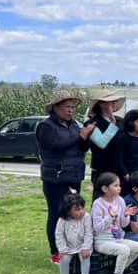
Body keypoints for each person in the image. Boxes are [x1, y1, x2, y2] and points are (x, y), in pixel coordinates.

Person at [36, 89, 95, 260]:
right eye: (66, 107)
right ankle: (56, 252)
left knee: (73, 213)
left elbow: (81, 147)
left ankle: (71, 248)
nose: (70, 110)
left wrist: (86, 138)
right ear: (55, 107)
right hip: (55, 177)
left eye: (72, 107)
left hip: (73, 175)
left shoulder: (74, 125)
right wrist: (79, 138)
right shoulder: (46, 127)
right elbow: (56, 146)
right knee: (57, 213)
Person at [91, 172, 138, 274]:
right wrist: (110, 217)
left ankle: (118, 271)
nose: (119, 188)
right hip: (102, 241)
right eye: (115, 185)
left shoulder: (120, 200)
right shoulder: (98, 204)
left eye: (119, 185)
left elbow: (123, 224)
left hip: (117, 238)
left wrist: (125, 215)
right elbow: (97, 228)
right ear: (105, 188)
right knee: (124, 250)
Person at [83, 88, 127, 202]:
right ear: (101, 104)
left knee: (120, 202)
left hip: (121, 169)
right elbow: (101, 143)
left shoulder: (121, 121)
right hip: (102, 169)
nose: (113, 104)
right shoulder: (92, 123)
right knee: (101, 201)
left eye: (114, 101)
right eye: (110, 102)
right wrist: (112, 124)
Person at [56, 192, 94, 274]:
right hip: (68, 246)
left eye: (82, 208)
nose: (81, 211)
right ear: (68, 212)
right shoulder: (62, 220)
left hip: (83, 245)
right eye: (77, 209)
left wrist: (86, 247)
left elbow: (88, 233)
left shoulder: (86, 217)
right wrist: (63, 249)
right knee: (63, 259)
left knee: (85, 257)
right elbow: (59, 235)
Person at [117, 108, 138, 188]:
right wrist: (125, 174)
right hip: (126, 173)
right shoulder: (123, 137)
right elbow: (118, 159)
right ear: (131, 123)